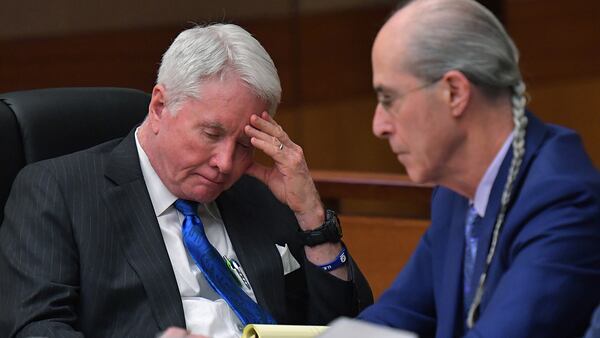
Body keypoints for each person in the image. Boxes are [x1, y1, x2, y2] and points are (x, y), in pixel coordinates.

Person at [0, 23, 372, 337]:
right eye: (211, 135)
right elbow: (36, 329)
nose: (225, 164)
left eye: (244, 143)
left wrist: (311, 218)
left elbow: (347, 326)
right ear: (160, 106)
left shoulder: (257, 192)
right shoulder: (58, 192)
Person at [357, 0, 600, 337]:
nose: (378, 125)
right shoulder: (454, 192)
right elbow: (398, 313)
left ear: (454, 92)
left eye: (388, 100)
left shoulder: (563, 201)